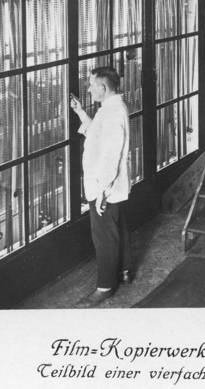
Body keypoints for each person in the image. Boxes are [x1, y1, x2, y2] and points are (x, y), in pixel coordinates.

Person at [70, 66, 133, 306]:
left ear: (103, 88)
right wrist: (80, 112)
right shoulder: (110, 108)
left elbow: (111, 155)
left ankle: (105, 286)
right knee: (117, 227)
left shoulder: (113, 113)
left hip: (104, 186)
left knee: (104, 236)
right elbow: (97, 136)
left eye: (91, 85)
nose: (88, 89)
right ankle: (125, 270)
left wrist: (103, 192)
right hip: (109, 185)